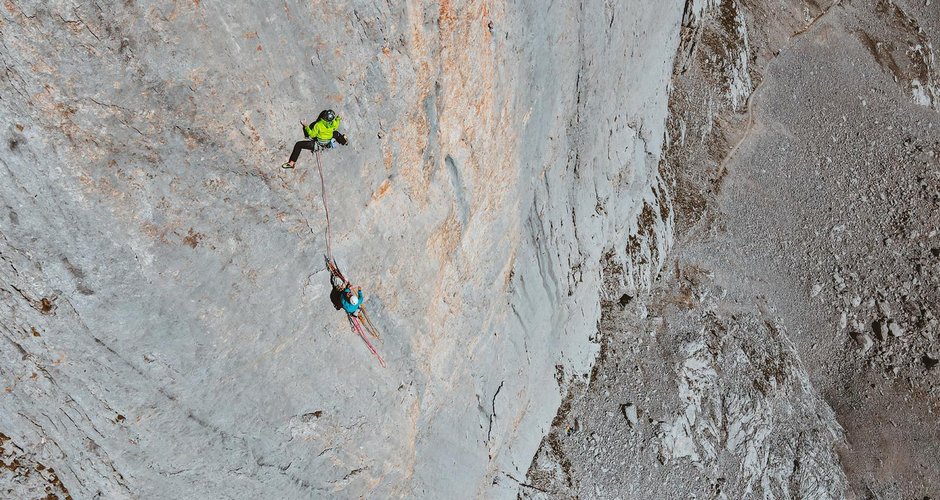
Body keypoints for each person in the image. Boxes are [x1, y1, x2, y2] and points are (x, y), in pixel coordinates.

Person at [282, 109, 349, 169]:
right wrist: (338, 117)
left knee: (298, 145)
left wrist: (306, 125)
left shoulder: (318, 125)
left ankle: (291, 163)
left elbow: (312, 135)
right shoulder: (333, 123)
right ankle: (344, 141)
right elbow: (336, 125)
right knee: (336, 133)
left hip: (317, 144)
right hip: (328, 141)